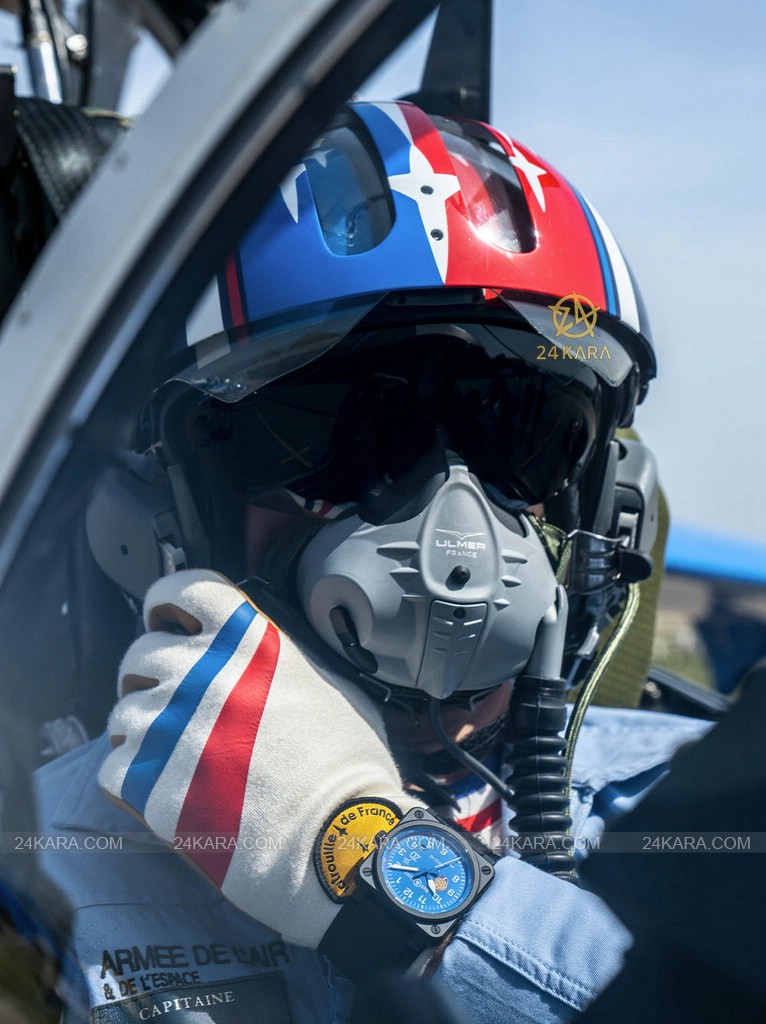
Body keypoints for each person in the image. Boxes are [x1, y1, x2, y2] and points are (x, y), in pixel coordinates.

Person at [35, 100, 713, 1023]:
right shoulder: (44, 858)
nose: (453, 525)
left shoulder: (709, 802)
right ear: (170, 503)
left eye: (523, 433)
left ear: (601, 500)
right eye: (340, 434)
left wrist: (367, 867)